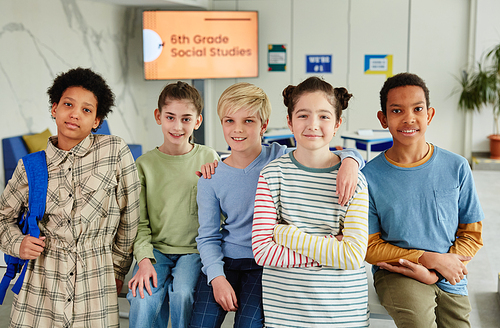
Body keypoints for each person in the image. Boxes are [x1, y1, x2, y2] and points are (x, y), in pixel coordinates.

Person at [189, 82, 365, 328]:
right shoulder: (212, 176)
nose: (237, 129)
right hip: (227, 260)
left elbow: (315, 146)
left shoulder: (279, 158)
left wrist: (352, 160)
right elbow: (207, 236)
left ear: (264, 125)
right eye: (229, 121)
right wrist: (217, 278)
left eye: (248, 121)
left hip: (266, 264)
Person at [0, 67, 141, 327]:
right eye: (68, 104)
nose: (75, 114)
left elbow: (130, 216)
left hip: (96, 284)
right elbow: (2, 218)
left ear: (97, 120)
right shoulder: (30, 167)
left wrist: (118, 269)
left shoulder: (114, 152)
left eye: (87, 110)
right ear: (54, 108)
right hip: (39, 289)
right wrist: (18, 243)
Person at [363, 72, 484, 328]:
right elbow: (370, 246)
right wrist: (426, 259)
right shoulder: (369, 177)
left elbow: (471, 234)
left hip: (450, 272)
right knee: (419, 323)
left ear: (429, 115)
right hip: (398, 272)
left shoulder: (457, 167)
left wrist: (438, 269)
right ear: (383, 118)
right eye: (397, 111)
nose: (409, 118)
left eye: (417, 109)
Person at [251, 77, 369, 327]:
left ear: (337, 124)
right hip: (286, 312)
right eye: (303, 115)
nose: (313, 125)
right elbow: (262, 251)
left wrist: (285, 234)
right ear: (289, 121)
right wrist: (329, 252)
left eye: (324, 117)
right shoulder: (271, 175)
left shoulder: (354, 180)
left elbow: (353, 255)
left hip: (343, 313)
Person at [126, 81, 219, 328]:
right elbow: (139, 222)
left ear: (198, 121)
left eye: (186, 119)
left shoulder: (209, 157)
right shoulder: (144, 165)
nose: (178, 126)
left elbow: (220, 212)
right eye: (170, 117)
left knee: (183, 294)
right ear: (159, 117)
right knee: (142, 298)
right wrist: (144, 260)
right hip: (155, 252)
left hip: (194, 251)